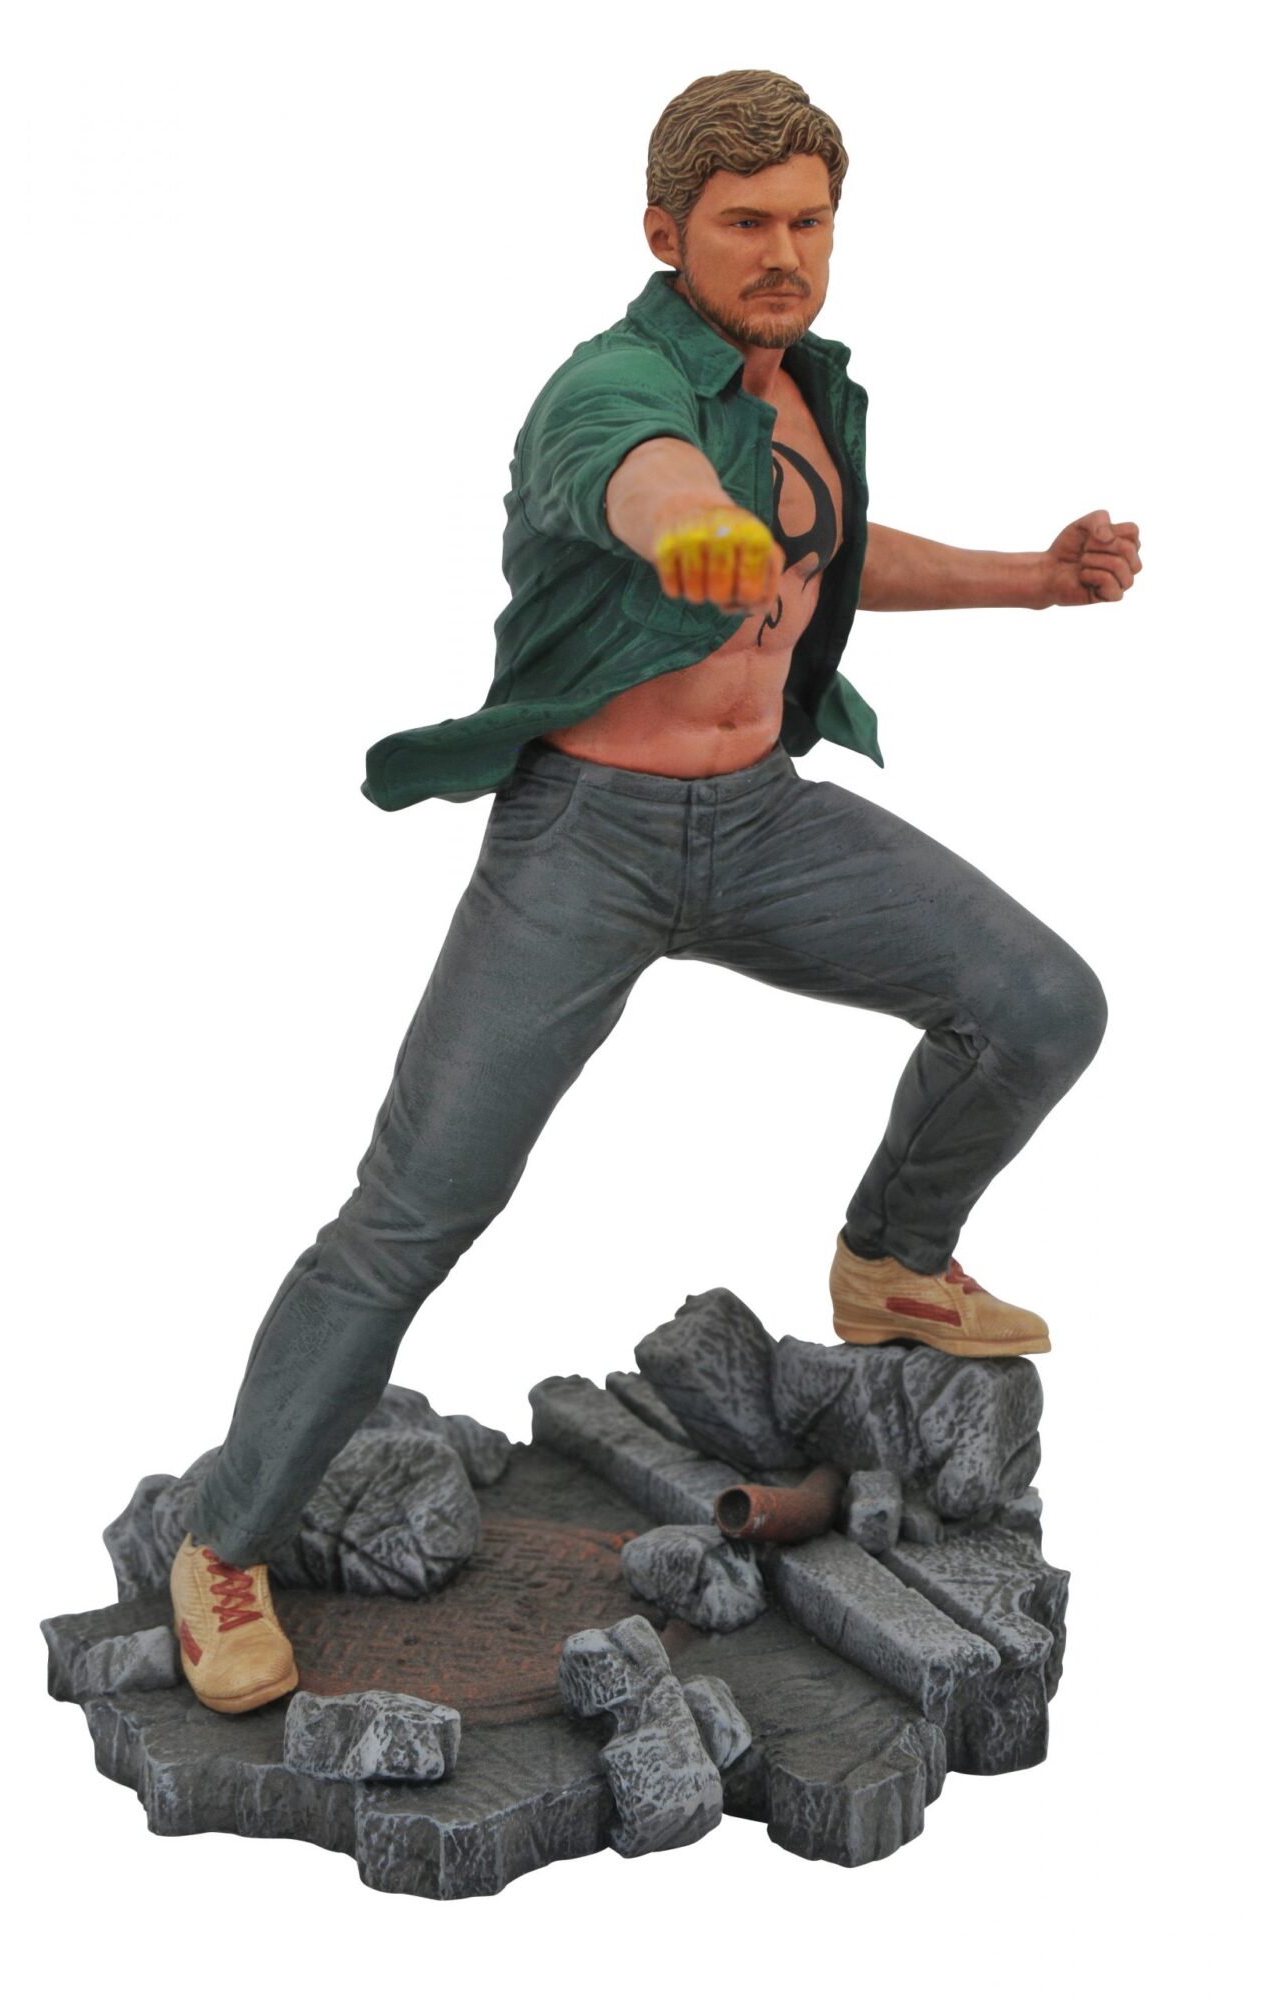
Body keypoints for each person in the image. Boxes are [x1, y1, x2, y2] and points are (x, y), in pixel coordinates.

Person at [168, 70, 1139, 1715]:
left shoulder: (808, 387)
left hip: (759, 823)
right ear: (664, 231)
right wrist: (687, 526)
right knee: (413, 1210)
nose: (784, 253)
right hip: (588, 842)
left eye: (809, 222)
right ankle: (227, 1544)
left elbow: (828, 551)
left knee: (1042, 1006)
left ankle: (894, 1255)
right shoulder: (609, 384)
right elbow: (638, 474)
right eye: (746, 222)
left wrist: (1033, 580)